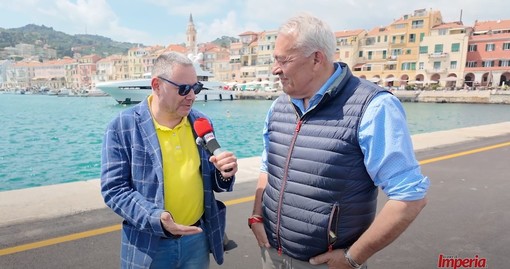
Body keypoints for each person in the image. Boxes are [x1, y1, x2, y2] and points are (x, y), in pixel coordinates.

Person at [249, 13, 429, 269]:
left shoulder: (373, 107)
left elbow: (410, 197)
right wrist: (257, 216)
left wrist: (352, 257)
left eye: (283, 60)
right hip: (272, 253)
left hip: (327, 263)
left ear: (316, 59)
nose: (274, 69)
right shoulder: (279, 107)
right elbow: (269, 167)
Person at [101, 51, 238, 269]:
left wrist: (224, 172)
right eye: (183, 89)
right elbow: (114, 189)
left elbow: (212, 182)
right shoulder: (122, 127)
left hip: (197, 239)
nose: (192, 96)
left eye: (196, 88)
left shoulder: (201, 122)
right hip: (150, 243)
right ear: (156, 85)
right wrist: (157, 219)